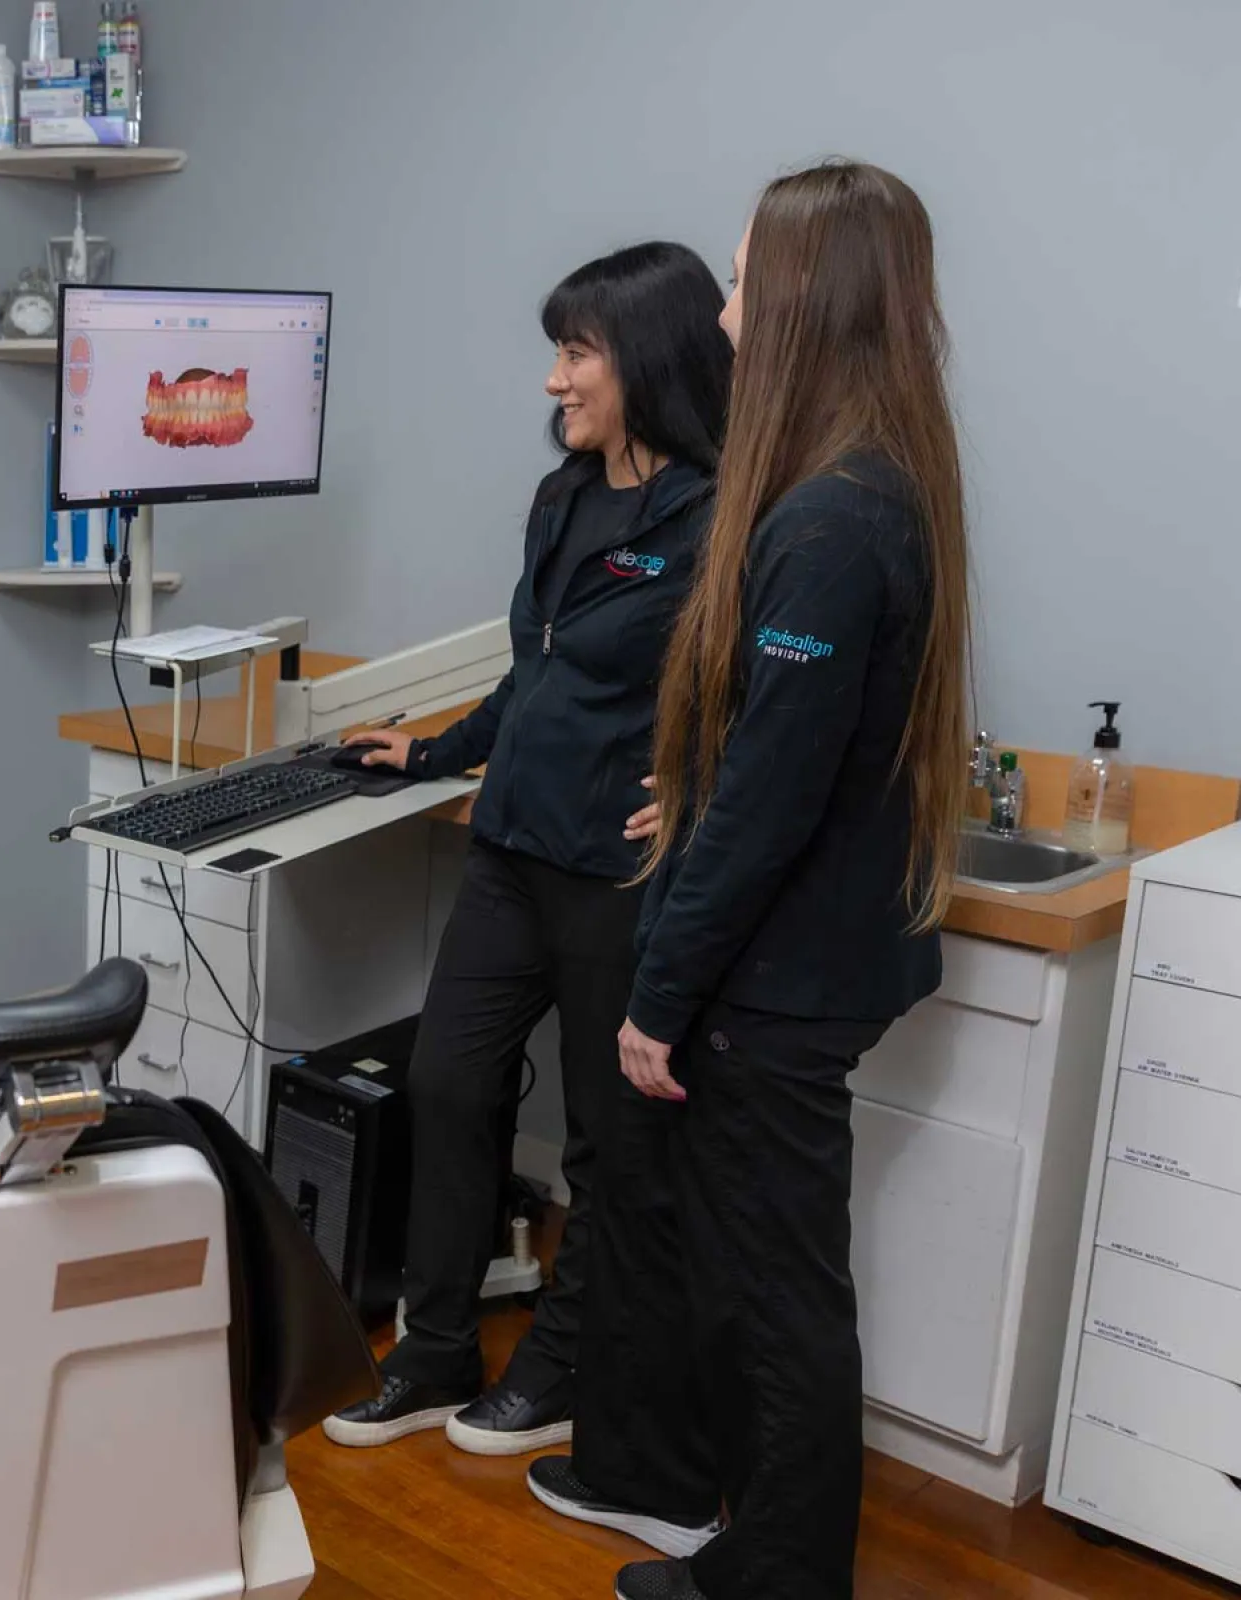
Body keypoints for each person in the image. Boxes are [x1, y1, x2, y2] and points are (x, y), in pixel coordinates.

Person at [527, 161, 972, 1598]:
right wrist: (711, 778)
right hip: (820, 957)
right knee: (767, 1282)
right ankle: (760, 1547)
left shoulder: (833, 520)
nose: (719, 314)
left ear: (801, 299)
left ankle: (777, 1574)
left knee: (776, 1296)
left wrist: (657, 998)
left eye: (737, 280)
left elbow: (777, 803)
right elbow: (799, 754)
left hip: (775, 985)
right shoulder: (876, 484)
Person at [323, 241, 734, 1455]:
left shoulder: (716, 516)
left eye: (574, 353)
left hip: (618, 868)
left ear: (645, 361)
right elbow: (536, 669)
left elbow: (747, 687)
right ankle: (434, 1347)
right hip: (509, 846)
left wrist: (710, 784)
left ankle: (559, 1362)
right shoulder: (562, 498)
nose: (553, 381)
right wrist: (441, 750)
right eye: (555, 353)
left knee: (609, 1139)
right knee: (447, 1085)